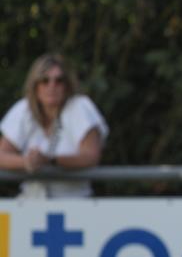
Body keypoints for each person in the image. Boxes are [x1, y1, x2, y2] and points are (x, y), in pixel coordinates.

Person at [0, 53, 108, 198]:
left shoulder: (80, 106)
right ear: (35, 85)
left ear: (67, 85)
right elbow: (2, 156)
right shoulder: (24, 109)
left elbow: (91, 156)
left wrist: (51, 160)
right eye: (45, 80)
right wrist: (27, 162)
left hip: (74, 202)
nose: (52, 86)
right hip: (32, 201)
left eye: (59, 80)